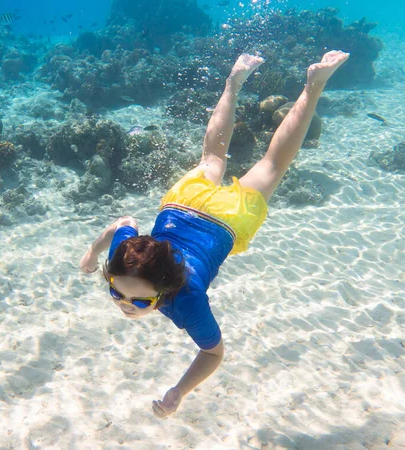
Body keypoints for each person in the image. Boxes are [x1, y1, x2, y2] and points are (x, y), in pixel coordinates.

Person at [79, 50, 350, 418]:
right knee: (216, 157)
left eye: (140, 302)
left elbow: (213, 353)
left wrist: (180, 390)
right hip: (182, 207)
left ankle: (311, 85)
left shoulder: (187, 303)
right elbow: (122, 222)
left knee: (268, 164)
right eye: (117, 293)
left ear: (168, 289)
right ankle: (235, 81)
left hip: (224, 219)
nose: (125, 306)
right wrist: (95, 256)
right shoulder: (124, 258)